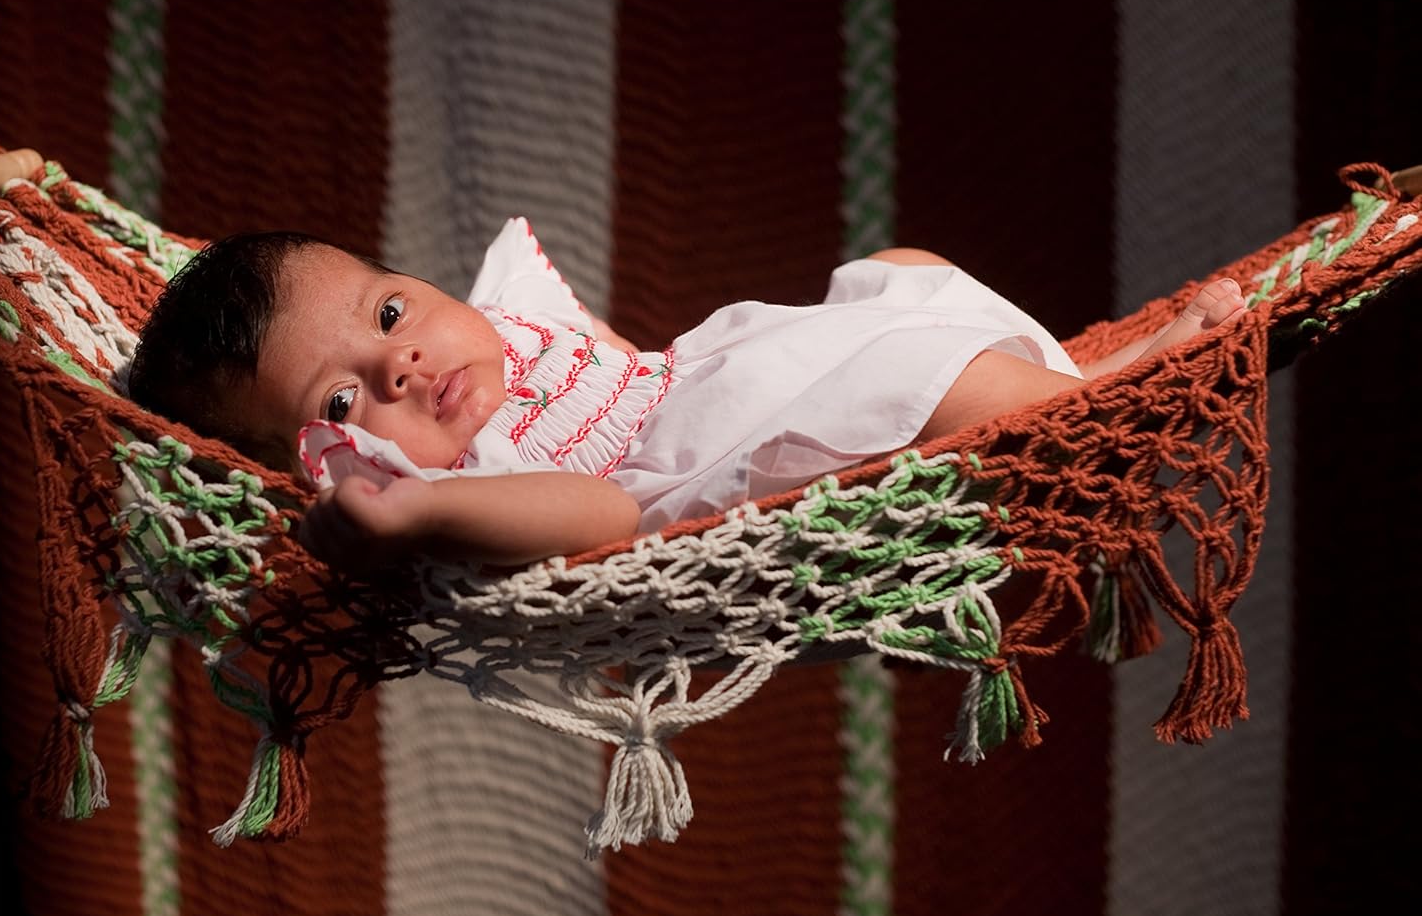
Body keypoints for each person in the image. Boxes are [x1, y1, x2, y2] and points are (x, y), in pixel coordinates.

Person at [127, 219, 1245, 571]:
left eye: (389, 313)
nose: (401, 365)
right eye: (340, 402)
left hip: (724, 364)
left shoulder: (493, 338)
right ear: (320, 463)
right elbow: (609, 514)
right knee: (920, 382)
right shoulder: (449, 476)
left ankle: (1086, 380)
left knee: (898, 277)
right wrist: (416, 515)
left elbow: (613, 364)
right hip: (718, 457)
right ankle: (1118, 401)